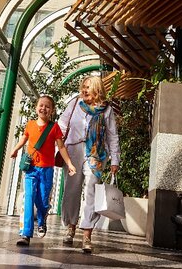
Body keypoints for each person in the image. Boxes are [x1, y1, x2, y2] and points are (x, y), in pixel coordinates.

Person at [58, 76, 120, 253]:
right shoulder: (75, 103)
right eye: (83, 87)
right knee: (71, 190)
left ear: (97, 89)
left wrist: (115, 159)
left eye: (87, 87)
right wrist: (55, 143)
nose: (84, 90)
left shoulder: (106, 110)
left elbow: (112, 135)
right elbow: (62, 124)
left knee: (91, 191)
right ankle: (70, 226)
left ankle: (87, 234)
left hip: (96, 155)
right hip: (74, 150)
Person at [10, 95, 76, 246]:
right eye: (41, 105)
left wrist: (70, 164)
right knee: (29, 199)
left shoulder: (54, 127)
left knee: (42, 201)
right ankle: (25, 234)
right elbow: (23, 139)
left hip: (46, 170)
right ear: (36, 107)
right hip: (31, 168)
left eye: (47, 106)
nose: (43, 108)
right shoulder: (30, 124)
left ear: (52, 110)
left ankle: (42, 219)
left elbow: (61, 147)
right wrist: (15, 150)